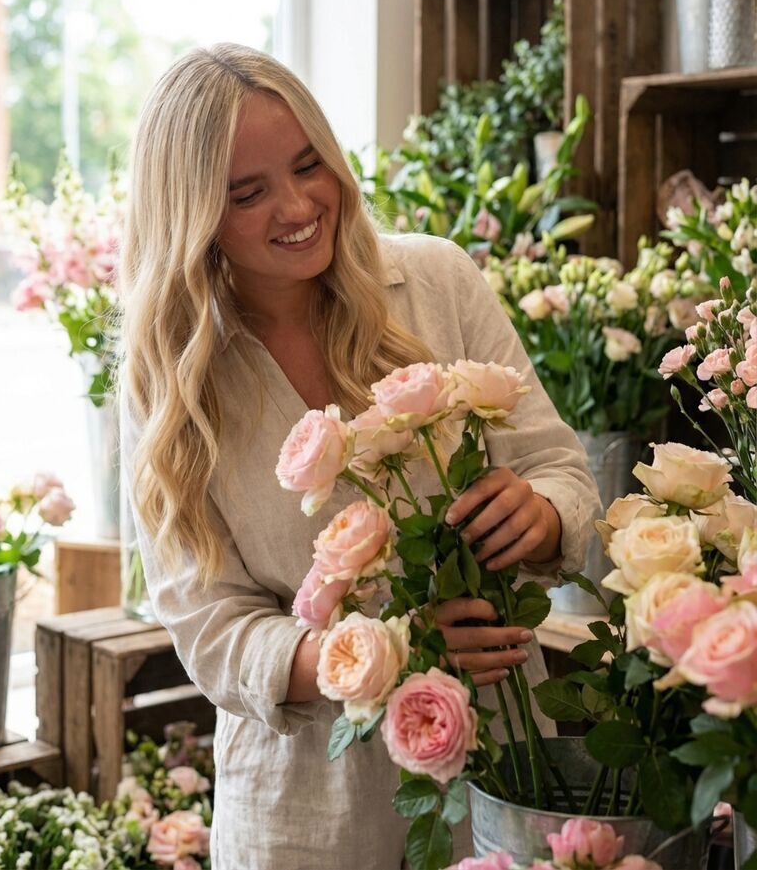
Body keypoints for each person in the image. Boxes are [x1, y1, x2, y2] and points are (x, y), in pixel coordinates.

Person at [117, 42, 602, 870]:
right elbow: (214, 629)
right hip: (305, 808)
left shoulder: (437, 282)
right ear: (192, 214)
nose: (300, 203)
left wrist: (544, 509)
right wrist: (398, 652)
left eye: (311, 165)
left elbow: (563, 467)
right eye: (248, 192)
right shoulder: (171, 381)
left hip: (497, 767)